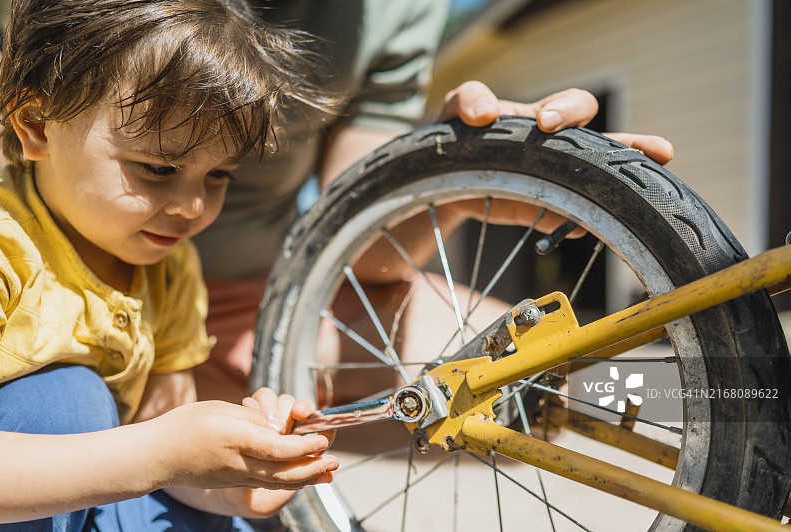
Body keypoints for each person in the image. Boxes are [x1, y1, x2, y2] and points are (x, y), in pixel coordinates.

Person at [187, 1, 674, 404]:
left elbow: (356, 238)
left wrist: (449, 183)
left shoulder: (397, 9)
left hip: (260, 294)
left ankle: (744, 402)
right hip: (122, 283)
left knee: (559, 381)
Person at [0, 1, 339, 530]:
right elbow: (150, 455)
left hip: (86, 500)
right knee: (65, 405)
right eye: (158, 167)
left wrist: (235, 481)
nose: (192, 207)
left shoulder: (169, 267)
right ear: (36, 124)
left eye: (219, 176)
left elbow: (163, 446)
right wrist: (156, 452)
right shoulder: (1, 247)